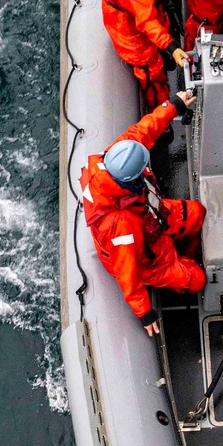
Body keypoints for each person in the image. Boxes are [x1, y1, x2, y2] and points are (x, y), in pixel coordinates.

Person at [80, 92, 205, 336]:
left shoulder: (115, 158)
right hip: (147, 255)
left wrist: (173, 105)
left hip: (150, 216)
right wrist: (144, 312)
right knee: (196, 278)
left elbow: (143, 131)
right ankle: (179, 273)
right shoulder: (120, 225)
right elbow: (128, 271)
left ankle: (184, 254)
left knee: (196, 213)